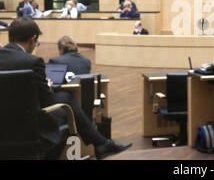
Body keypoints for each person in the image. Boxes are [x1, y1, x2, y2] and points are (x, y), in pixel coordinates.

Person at [0, 18, 131, 159]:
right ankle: (100, 143)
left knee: (64, 98)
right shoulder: (33, 62)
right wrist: (48, 86)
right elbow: (47, 102)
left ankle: (101, 143)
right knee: (69, 115)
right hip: (28, 126)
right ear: (32, 39)